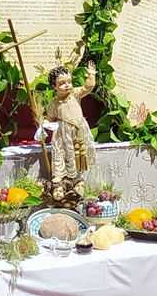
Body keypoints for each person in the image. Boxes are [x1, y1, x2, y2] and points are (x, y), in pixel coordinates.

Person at [44, 62, 97, 205]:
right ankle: (59, 174)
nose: (67, 85)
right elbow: (48, 119)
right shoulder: (54, 104)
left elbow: (88, 87)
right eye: (62, 83)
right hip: (63, 132)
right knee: (61, 152)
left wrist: (91, 74)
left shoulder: (75, 94)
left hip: (78, 129)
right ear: (54, 86)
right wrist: (43, 124)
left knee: (78, 153)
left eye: (69, 81)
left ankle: (76, 176)